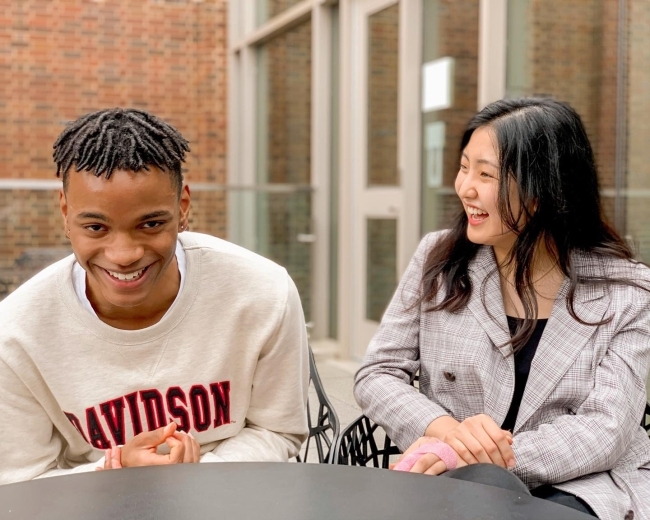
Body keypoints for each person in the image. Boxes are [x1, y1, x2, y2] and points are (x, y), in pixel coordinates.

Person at [354, 98, 650, 519]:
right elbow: (378, 373)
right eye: (463, 167)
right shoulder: (439, 259)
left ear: (546, 188)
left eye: (486, 174)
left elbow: (606, 430)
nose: (465, 188)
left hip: (582, 485)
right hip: (458, 484)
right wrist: (449, 435)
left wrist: (473, 456)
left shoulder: (627, 290)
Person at [0, 108, 309, 484]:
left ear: (183, 209)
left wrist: (195, 477)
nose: (123, 253)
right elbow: (21, 483)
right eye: (96, 227)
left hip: (235, 494)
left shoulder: (262, 291)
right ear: (66, 214)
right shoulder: (15, 334)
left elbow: (278, 431)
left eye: (150, 224)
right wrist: (116, 472)